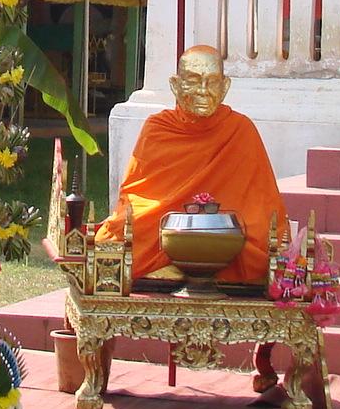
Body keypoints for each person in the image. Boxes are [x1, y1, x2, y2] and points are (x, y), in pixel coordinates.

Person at [97, 44, 287, 283]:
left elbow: (262, 203)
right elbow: (138, 195)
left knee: (259, 233)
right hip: (167, 225)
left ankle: (182, 267)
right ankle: (174, 263)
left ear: (225, 86)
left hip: (224, 233)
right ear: (175, 85)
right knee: (119, 232)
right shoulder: (158, 129)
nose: (203, 91)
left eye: (212, 81)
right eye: (193, 81)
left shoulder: (240, 130)